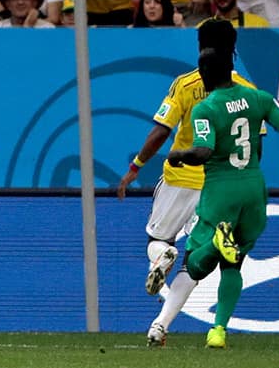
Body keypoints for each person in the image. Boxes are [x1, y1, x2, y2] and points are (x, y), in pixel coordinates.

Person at [115, 20, 264, 346]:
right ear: (234, 49)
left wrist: (135, 166)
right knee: (194, 263)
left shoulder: (185, 84)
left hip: (180, 177)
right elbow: (256, 146)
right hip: (220, 187)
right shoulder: (249, 93)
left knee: (158, 239)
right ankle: (160, 326)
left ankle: (160, 256)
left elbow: (161, 131)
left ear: (200, 47)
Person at [165, 34, 279, 349]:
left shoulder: (205, 108)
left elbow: (203, 153)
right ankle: (218, 331)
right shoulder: (258, 97)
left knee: (194, 263)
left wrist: (178, 155)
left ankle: (217, 243)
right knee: (235, 264)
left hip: (221, 189)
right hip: (253, 188)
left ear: (204, 74)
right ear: (231, 71)